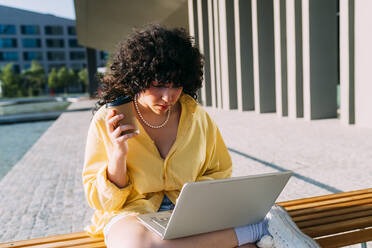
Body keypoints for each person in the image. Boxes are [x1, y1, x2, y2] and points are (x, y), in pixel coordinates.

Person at [82, 24, 320, 248]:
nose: (169, 96)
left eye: (177, 85)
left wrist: (193, 201)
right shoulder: (109, 119)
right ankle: (257, 228)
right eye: (159, 84)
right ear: (137, 77)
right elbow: (102, 202)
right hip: (131, 212)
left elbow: (219, 170)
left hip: (191, 212)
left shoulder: (195, 116)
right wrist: (118, 155)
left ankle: (254, 231)